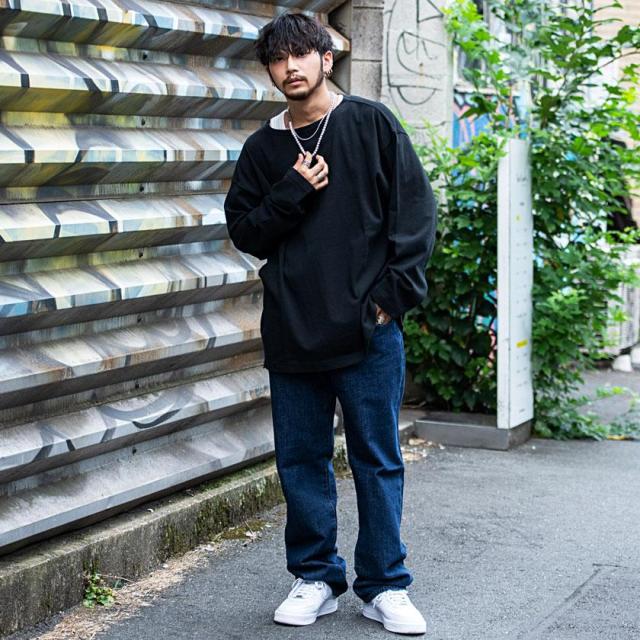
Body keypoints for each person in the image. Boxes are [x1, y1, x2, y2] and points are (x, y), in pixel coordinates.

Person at [223, 12, 437, 636]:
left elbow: (415, 216)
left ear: (327, 57)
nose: (289, 67)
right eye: (277, 58)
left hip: (368, 332)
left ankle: (385, 585)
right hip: (294, 329)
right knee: (302, 461)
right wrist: (291, 190)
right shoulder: (263, 149)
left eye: (301, 54)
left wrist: (388, 300)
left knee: (377, 459)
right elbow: (246, 232)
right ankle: (315, 577)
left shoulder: (370, 124)